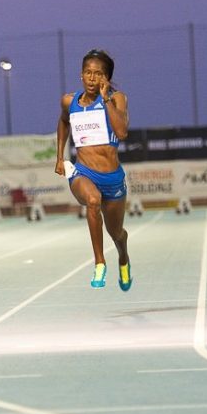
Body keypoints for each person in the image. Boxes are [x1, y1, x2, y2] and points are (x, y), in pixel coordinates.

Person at [54, 49, 131, 291]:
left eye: (97, 74)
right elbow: (64, 121)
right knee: (92, 200)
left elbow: (122, 132)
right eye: (88, 72)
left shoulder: (117, 99)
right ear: (81, 75)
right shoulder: (69, 101)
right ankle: (99, 262)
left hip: (112, 177)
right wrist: (60, 157)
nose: (91, 78)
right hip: (83, 172)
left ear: (105, 78)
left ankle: (123, 257)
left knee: (116, 232)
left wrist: (105, 97)